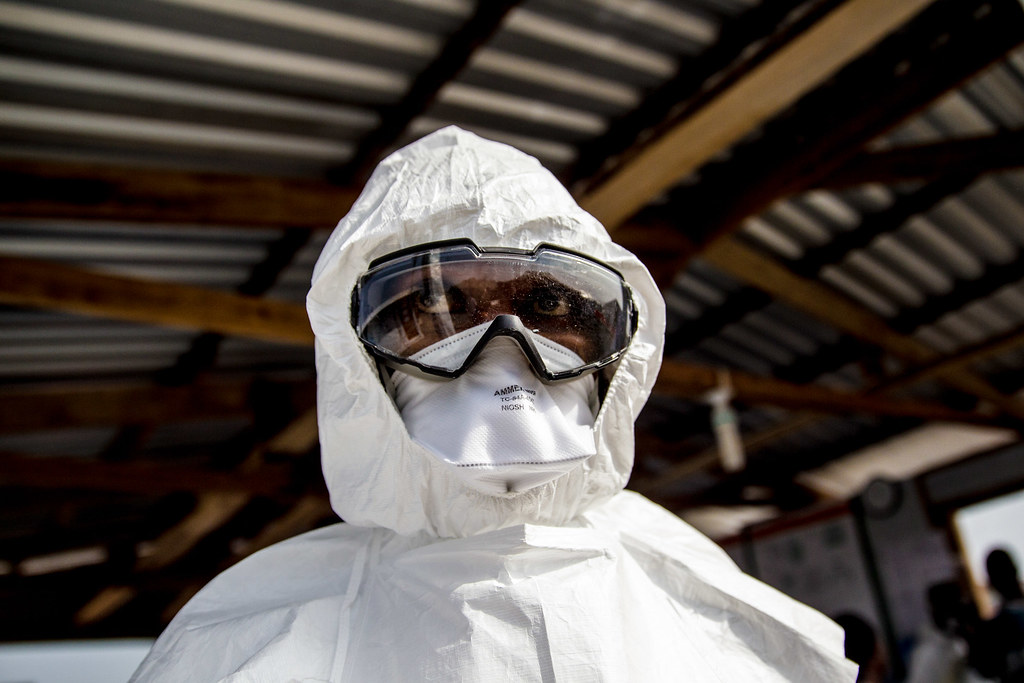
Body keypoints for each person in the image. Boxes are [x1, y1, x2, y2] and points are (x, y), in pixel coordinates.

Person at [130, 126, 856, 681]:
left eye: (547, 305)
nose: (505, 352)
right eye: (441, 310)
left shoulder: (712, 606)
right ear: (355, 359)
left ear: (618, 345)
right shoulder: (250, 642)